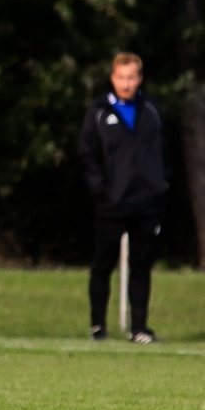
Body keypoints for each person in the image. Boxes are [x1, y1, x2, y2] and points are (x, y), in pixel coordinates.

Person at [79, 52, 168, 343]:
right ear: (112, 78)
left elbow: (163, 152)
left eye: (131, 77)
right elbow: (87, 154)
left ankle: (139, 327)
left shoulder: (151, 110)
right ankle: (97, 326)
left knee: (141, 266)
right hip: (112, 203)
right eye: (121, 77)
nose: (126, 83)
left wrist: (160, 185)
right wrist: (101, 190)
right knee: (103, 264)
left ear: (139, 79)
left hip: (146, 202)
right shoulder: (99, 112)